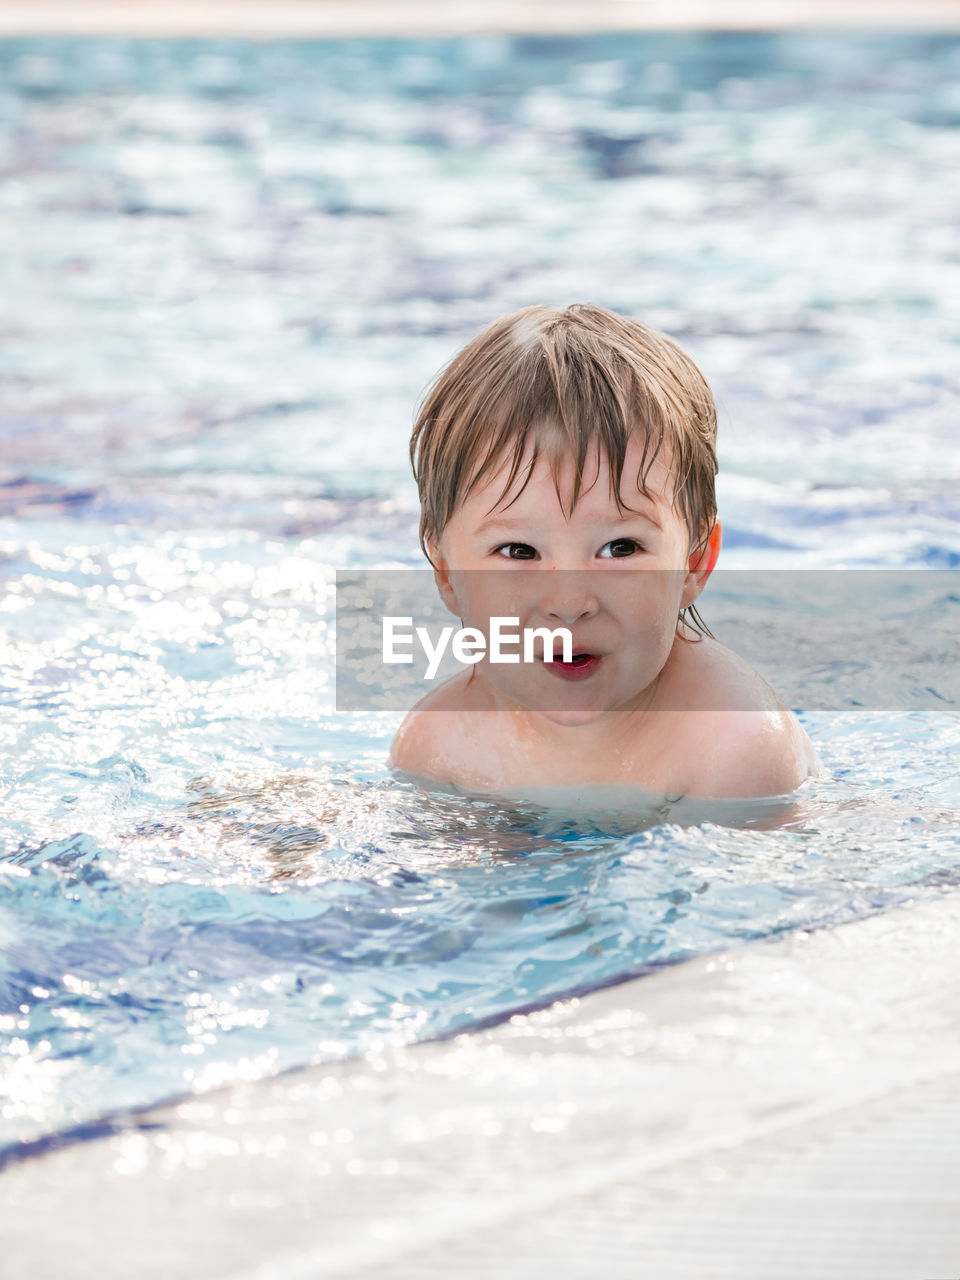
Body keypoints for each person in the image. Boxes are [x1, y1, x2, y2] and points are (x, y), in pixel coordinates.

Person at [388, 303, 820, 805]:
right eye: (519, 550)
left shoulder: (732, 743)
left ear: (695, 562)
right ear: (446, 573)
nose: (570, 601)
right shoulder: (438, 747)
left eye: (620, 548)